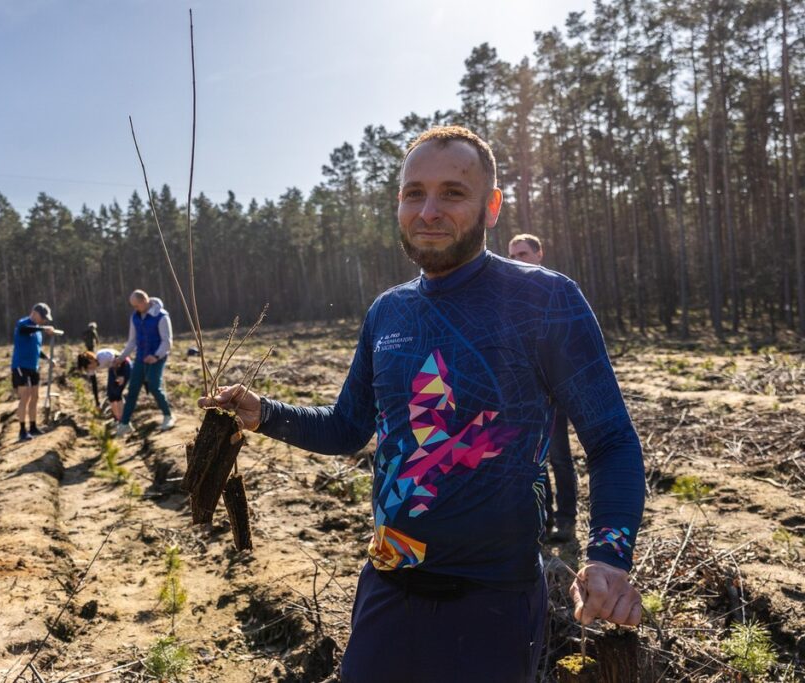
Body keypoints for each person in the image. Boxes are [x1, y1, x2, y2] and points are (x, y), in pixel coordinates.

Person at [200, 126, 644, 683]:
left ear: (491, 206)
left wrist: (608, 555)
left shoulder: (545, 299)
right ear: (399, 204)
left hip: (494, 600)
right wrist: (264, 413)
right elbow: (346, 428)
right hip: (388, 584)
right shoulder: (387, 313)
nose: (429, 210)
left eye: (453, 193)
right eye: (415, 193)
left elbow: (611, 440)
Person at [508, 233, 577, 542]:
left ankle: (567, 520)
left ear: (539, 254)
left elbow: (570, 341)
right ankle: (543, 520)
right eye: (512, 255)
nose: (516, 260)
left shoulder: (557, 290)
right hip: (525, 392)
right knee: (535, 458)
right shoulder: (509, 296)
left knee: (561, 457)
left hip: (556, 388)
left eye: (522, 254)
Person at [116, 290, 174, 435]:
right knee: (133, 390)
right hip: (141, 358)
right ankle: (124, 424)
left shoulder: (161, 316)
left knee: (154, 386)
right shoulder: (135, 317)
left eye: (136, 305)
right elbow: (132, 341)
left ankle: (168, 416)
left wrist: (156, 356)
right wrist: (121, 358)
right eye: (133, 306)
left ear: (144, 301)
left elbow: (167, 342)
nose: (135, 309)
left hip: (157, 358)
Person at [11, 303, 56, 442]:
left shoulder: (37, 330)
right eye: (43, 318)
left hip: (33, 366)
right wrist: (43, 328)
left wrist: (47, 358)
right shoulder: (23, 324)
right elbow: (25, 330)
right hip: (21, 366)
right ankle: (22, 431)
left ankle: (33, 426)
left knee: (35, 396)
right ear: (35, 313)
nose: (44, 321)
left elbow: (36, 349)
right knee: (25, 397)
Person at [78, 349, 132, 423]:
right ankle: (118, 419)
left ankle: (124, 421)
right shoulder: (90, 368)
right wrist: (97, 403)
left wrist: (121, 375)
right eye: (87, 369)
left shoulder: (104, 355)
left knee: (117, 394)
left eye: (89, 367)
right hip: (113, 368)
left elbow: (121, 359)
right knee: (111, 396)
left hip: (124, 365)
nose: (90, 369)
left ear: (92, 360)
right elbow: (94, 384)